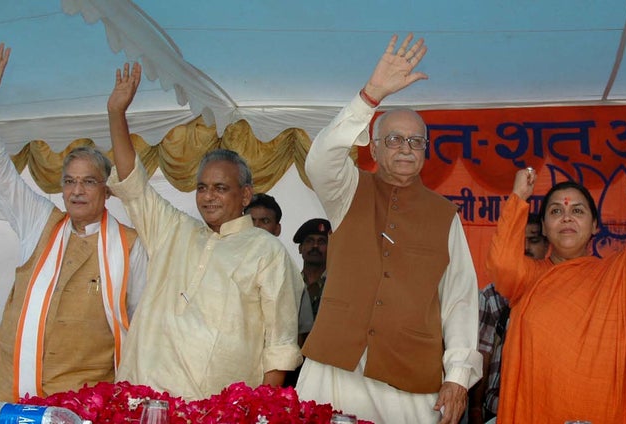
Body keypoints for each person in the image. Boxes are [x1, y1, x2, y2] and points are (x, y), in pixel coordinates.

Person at [295, 34, 482, 424]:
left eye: (415, 141)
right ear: (374, 149)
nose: (405, 148)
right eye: (393, 139)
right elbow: (319, 161)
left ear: (426, 153)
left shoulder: (445, 215)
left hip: (410, 380)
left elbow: (460, 300)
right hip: (334, 369)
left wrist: (459, 376)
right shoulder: (348, 189)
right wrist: (370, 96)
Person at [106, 62, 303, 400]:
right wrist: (116, 114)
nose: (208, 196)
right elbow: (133, 183)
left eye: (220, 188)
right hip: (141, 398)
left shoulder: (265, 250)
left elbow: (280, 342)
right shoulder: (174, 230)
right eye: (201, 187)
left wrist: (260, 410)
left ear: (244, 195)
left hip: (213, 407)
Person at [0, 43, 147, 403]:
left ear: (108, 189)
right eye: (69, 181)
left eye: (88, 181)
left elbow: (144, 327)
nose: (77, 191)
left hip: (77, 404)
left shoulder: (131, 245)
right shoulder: (40, 221)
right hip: (4, 393)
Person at [486, 169, 626, 422]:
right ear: (544, 228)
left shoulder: (619, 273)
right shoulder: (527, 278)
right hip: (538, 411)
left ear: (595, 226)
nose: (567, 218)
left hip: (605, 411)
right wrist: (518, 196)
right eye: (556, 211)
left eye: (577, 211)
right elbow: (501, 263)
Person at [468, 214, 548, 424]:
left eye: (534, 240)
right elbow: (481, 356)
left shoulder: (559, 290)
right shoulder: (491, 295)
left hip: (547, 409)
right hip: (500, 409)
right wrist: (475, 409)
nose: (525, 247)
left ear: (548, 243)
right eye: (519, 240)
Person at [292, 218, 331, 346]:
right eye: (309, 241)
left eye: (321, 242)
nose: (315, 246)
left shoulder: (338, 286)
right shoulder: (290, 284)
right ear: (300, 248)